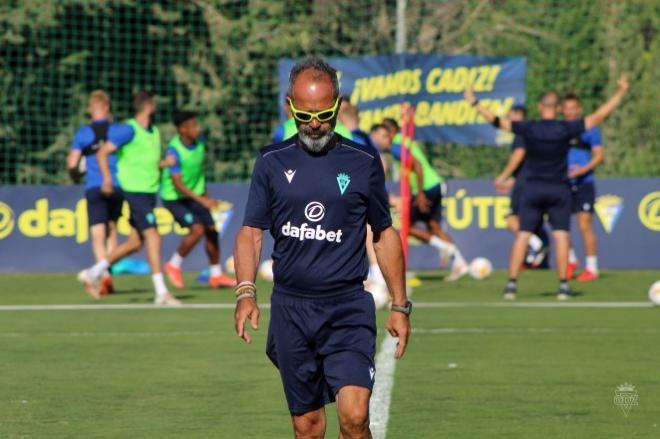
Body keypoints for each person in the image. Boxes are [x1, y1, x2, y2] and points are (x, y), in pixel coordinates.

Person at [234, 58, 411, 439]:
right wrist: (246, 291)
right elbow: (251, 232)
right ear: (289, 107)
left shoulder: (363, 162)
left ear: (339, 104)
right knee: (308, 428)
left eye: (325, 113)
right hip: (291, 310)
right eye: (304, 114)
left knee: (354, 417)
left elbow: (383, 233)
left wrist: (399, 304)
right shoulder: (270, 161)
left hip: (347, 307)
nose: (315, 123)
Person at [465, 74, 629, 299]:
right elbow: (599, 116)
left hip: (532, 189)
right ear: (558, 108)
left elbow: (496, 121)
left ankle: (511, 285)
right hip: (559, 190)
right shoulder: (565, 129)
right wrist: (620, 92)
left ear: (541, 107)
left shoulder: (529, 128)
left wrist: (475, 103)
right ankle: (563, 285)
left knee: (523, 235)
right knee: (561, 235)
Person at [78, 90, 181, 306]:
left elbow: (147, 162)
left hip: (149, 192)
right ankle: (161, 293)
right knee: (154, 237)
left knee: (135, 243)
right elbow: (102, 153)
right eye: (154, 103)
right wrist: (107, 178)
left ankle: (93, 272)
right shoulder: (128, 130)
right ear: (149, 106)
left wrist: (165, 163)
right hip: (134, 192)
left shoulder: (152, 132)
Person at [380, 118, 469, 281]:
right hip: (435, 183)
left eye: (384, 132)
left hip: (425, 188)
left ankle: (445, 247)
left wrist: (420, 194)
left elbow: (417, 165)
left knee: (406, 227)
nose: (382, 137)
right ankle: (460, 263)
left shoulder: (396, 146)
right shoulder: (405, 140)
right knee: (434, 226)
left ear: (391, 132)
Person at [161, 111, 237, 289]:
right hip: (175, 198)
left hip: (196, 194)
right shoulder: (174, 150)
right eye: (193, 125)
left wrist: (206, 196)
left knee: (212, 231)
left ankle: (216, 275)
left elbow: (197, 173)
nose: (198, 128)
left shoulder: (200, 142)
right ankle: (173, 265)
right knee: (197, 229)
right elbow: (178, 183)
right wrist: (203, 201)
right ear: (183, 129)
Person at [67, 90, 124, 295]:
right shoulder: (118, 130)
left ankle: (103, 274)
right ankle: (108, 272)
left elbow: (72, 163)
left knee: (98, 234)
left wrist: (76, 172)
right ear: (107, 107)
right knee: (112, 231)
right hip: (117, 185)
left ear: (91, 109)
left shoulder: (83, 133)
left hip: (94, 186)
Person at [494, 105, 550, 268]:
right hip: (532, 182)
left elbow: (518, 156)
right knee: (530, 222)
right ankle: (532, 255)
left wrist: (502, 176)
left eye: (510, 116)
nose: (508, 120)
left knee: (511, 220)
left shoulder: (521, 132)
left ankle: (536, 244)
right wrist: (512, 181)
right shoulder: (533, 134)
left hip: (525, 186)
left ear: (519, 116)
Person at [562, 92, 604, 282]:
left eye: (573, 109)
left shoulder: (589, 129)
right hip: (562, 184)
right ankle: (571, 261)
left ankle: (592, 268)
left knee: (584, 224)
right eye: (567, 109)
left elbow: (599, 156)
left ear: (579, 109)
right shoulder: (559, 129)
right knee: (560, 225)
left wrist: (582, 170)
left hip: (584, 183)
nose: (570, 112)